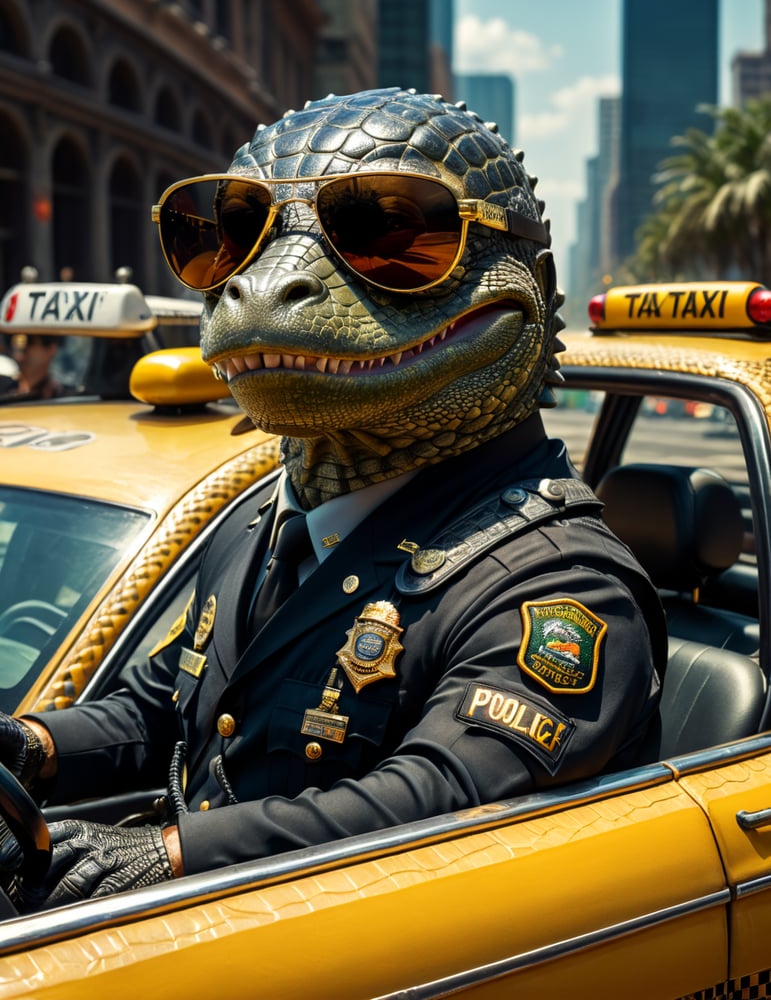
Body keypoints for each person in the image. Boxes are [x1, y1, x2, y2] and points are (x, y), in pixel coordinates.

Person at [0, 87, 667, 910]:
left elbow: (438, 802)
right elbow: (166, 705)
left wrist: (167, 855)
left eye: (391, 233)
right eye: (233, 233)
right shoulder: (260, 522)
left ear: (531, 278)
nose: (262, 283)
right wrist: (31, 745)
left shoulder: (560, 586)